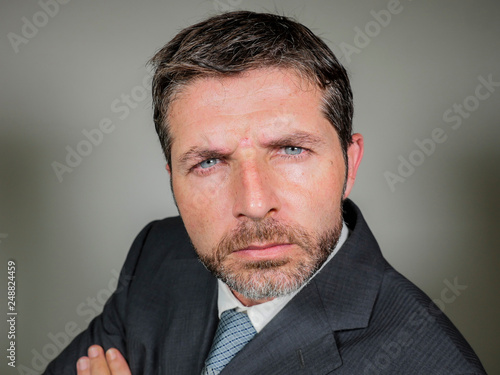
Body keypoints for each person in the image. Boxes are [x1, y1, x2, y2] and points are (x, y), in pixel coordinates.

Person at [44, 10, 486, 375]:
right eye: (209, 162)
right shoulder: (157, 254)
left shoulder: (430, 363)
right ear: (172, 178)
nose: (254, 205)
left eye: (291, 150)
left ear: (350, 165)